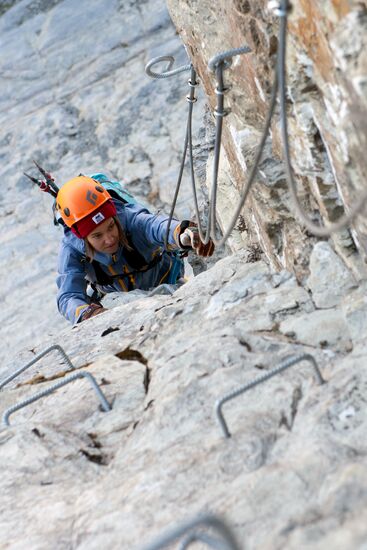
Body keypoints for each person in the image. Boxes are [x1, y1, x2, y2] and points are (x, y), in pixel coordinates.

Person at [56, 175, 214, 324]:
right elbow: (68, 295)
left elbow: (155, 226)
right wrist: (86, 312)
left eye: (111, 226)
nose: (109, 239)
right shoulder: (72, 250)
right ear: (83, 237)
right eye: (97, 236)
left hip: (169, 284)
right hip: (116, 301)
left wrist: (182, 233)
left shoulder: (129, 219)